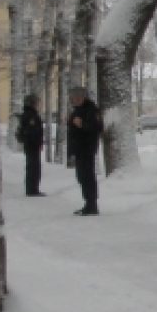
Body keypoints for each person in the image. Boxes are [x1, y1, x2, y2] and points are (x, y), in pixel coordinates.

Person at [66, 86, 103, 216]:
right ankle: (88, 203)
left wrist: (81, 124)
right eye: (74, 97)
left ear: (84, 97)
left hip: (87, 148)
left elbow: (97, 127)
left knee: (87, 176)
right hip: (79, 149)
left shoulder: (91, 110)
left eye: (79, 97)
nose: (76, 99)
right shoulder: (77, 110)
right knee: (81, 176)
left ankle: (92, 204)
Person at [15, 95, 44, 196]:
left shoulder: (29, 114)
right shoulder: (31, 115)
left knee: (32, 166)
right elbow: (34, 131)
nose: (37, 104)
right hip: (32, 144)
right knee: (33, 167)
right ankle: (32, 189)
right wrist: (38, 143)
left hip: (30, 144)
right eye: (35, 102)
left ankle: (32, 188)